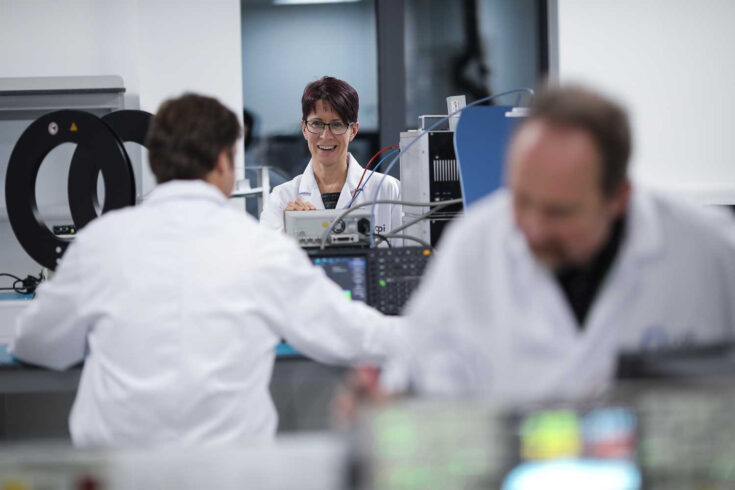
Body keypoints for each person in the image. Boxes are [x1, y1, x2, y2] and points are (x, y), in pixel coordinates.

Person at [10, 93, 402, 447]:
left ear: (156, 162)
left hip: (119, 472)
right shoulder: (262, 249)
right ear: (222, 162)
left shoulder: (99, 243)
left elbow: (34, 342)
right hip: (228, 472)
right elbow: (354, 333)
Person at [384, 84, 735, 403]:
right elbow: (416, 376)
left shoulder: (710, 251)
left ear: (618, 197)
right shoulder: (474, 246)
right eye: (521, 200)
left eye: (558, 212)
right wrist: (388, 397)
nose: (533, 230)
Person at [259, 76, 401, 238]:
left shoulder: (387, 189)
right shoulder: (282, 197)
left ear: (353, 130)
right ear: (304, 128)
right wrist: (287, 232)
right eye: (317, 124)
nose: (326, 136)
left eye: (337, 124)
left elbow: (407, 255)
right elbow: (264, 258)